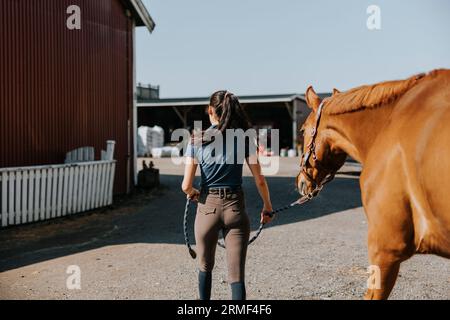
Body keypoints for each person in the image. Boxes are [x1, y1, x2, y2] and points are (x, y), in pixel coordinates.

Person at [181, 90, 273, 300]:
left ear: (211, 111)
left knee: (205, 267)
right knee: (236, 276)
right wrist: (267, 206)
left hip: (207, 208)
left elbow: (186, 185)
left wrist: (194, 193)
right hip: (235, 209)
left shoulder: (196, 140)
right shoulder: (244, 139)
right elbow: (260, 179)